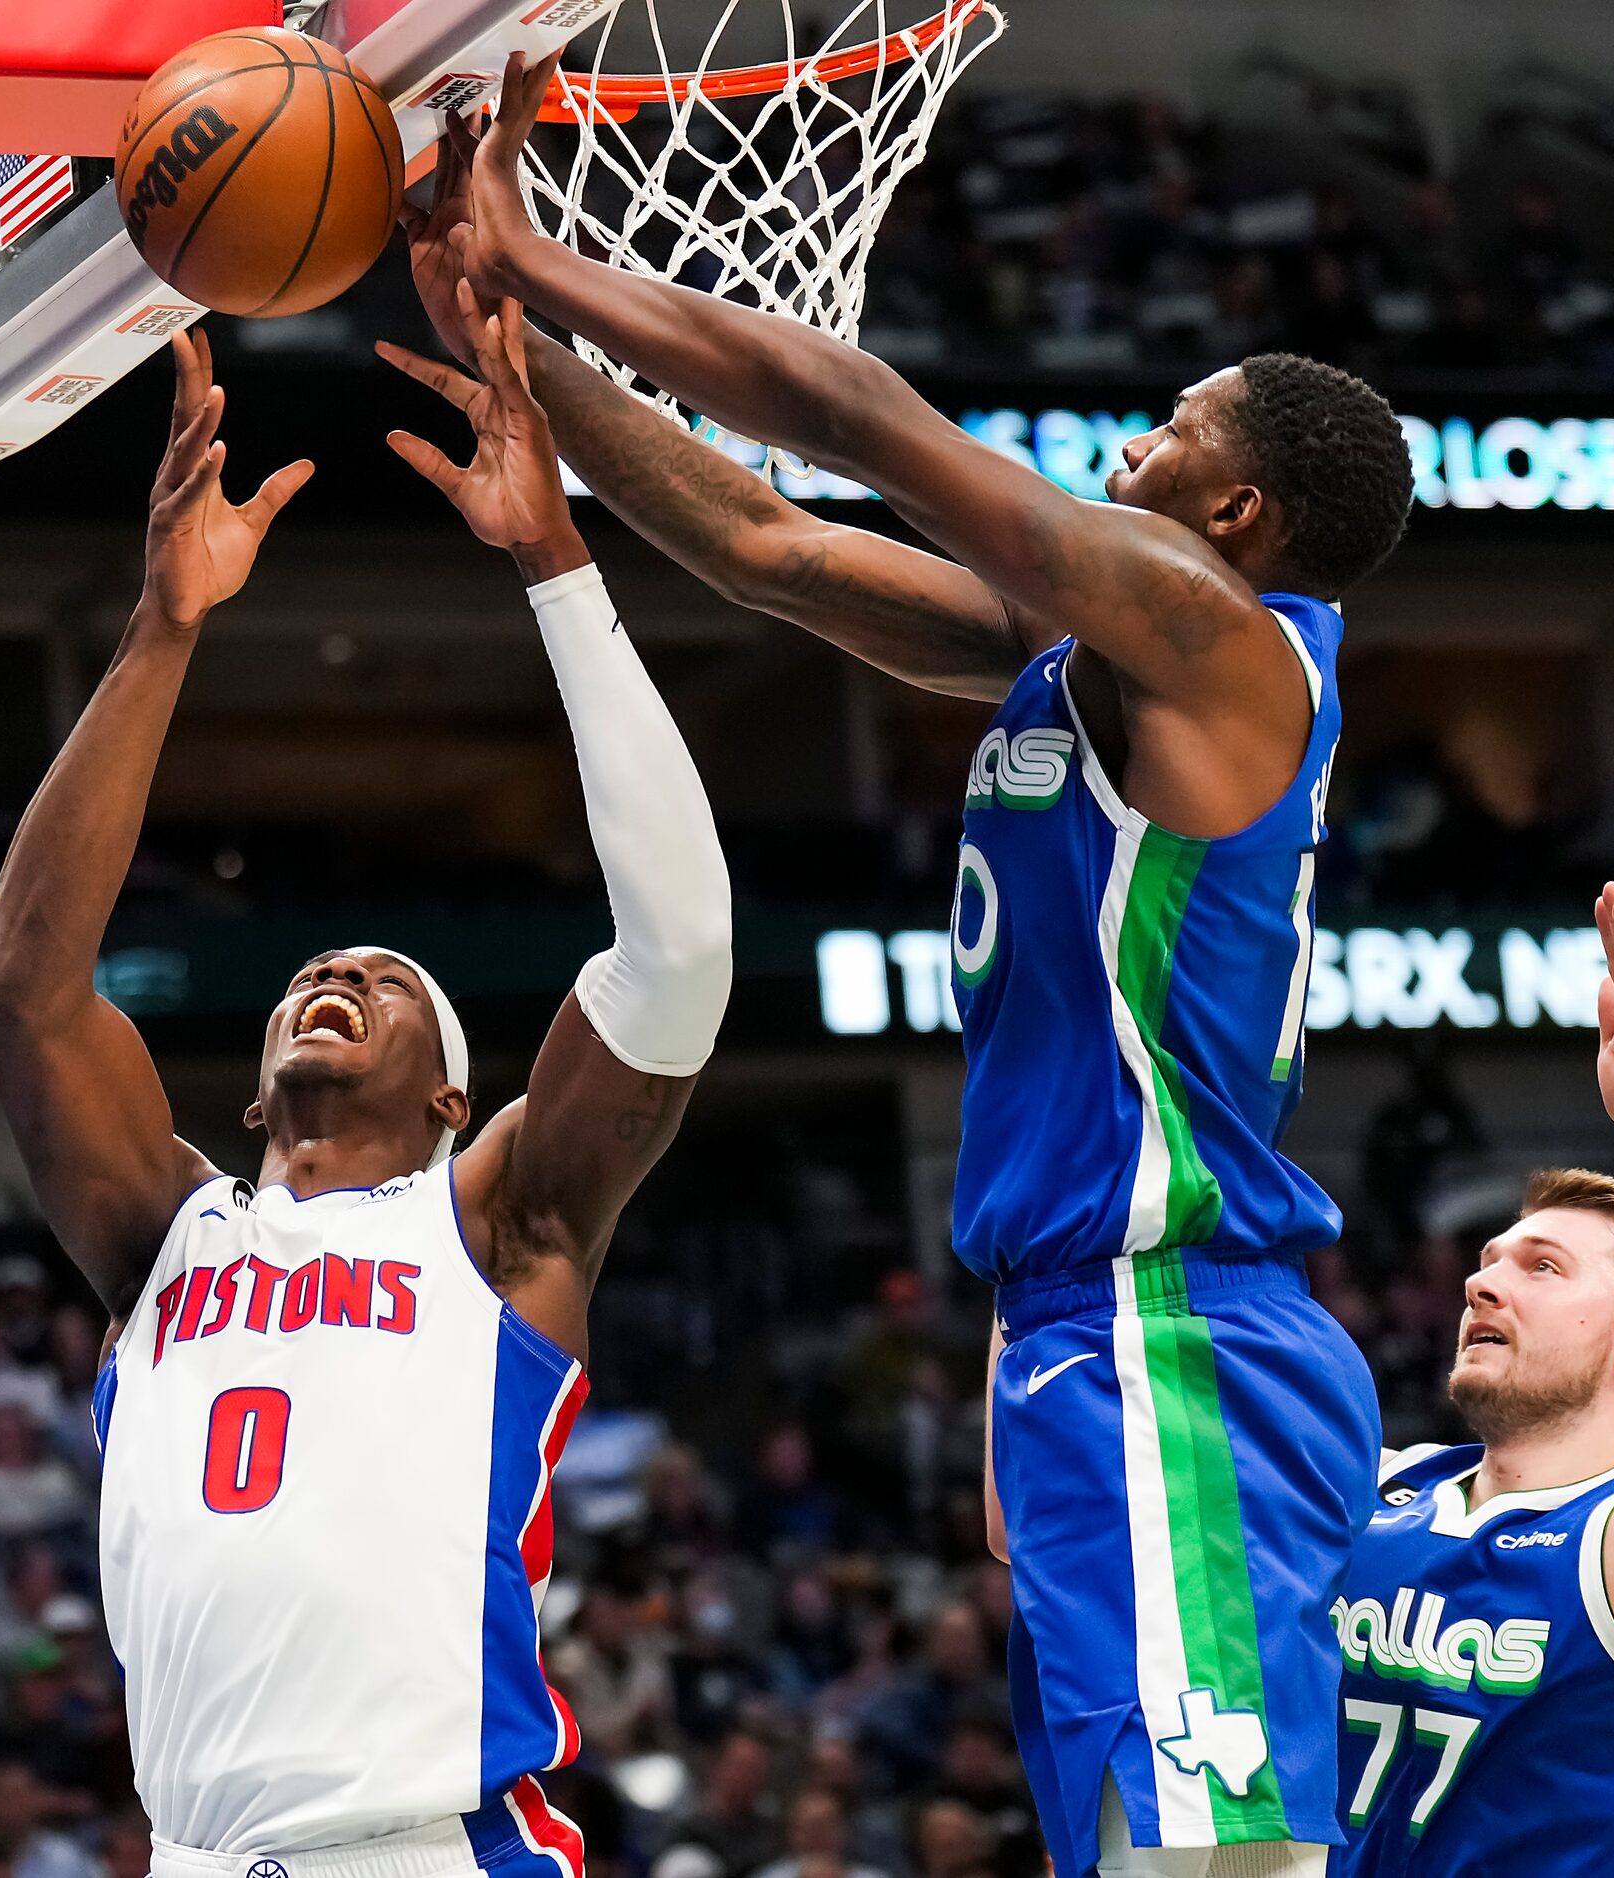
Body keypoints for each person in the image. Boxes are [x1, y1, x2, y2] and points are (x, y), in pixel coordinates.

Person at [392, 59, 1415, 1878]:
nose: (1130, 450)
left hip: (1175, 1334)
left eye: (1173, 431)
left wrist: (536, 261)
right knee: (1145, 1843)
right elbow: (765, 542)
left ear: (1243, 510)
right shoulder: (1084, 658)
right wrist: (509, 351)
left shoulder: (1221, 642)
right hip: (1082, 1339)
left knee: (1210, 1854)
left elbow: (861, 422)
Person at [0, 318, 732, 1874]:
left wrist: (555, 566)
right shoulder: (165, 1237)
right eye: (317, 971)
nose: (339, 972)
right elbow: (24, 990)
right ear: (252, 1097)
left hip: (430, 1845)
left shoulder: (496, 1218)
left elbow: (680, 952)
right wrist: (163, 628)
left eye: (386, 978)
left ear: (457, 1091)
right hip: (188, 1852)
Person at [1332, 882, 1614, 1874]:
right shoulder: (1378, 1485)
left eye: (1543, 1266)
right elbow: (1043, 1531)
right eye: (1489, 1258)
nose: (1485, 1279)